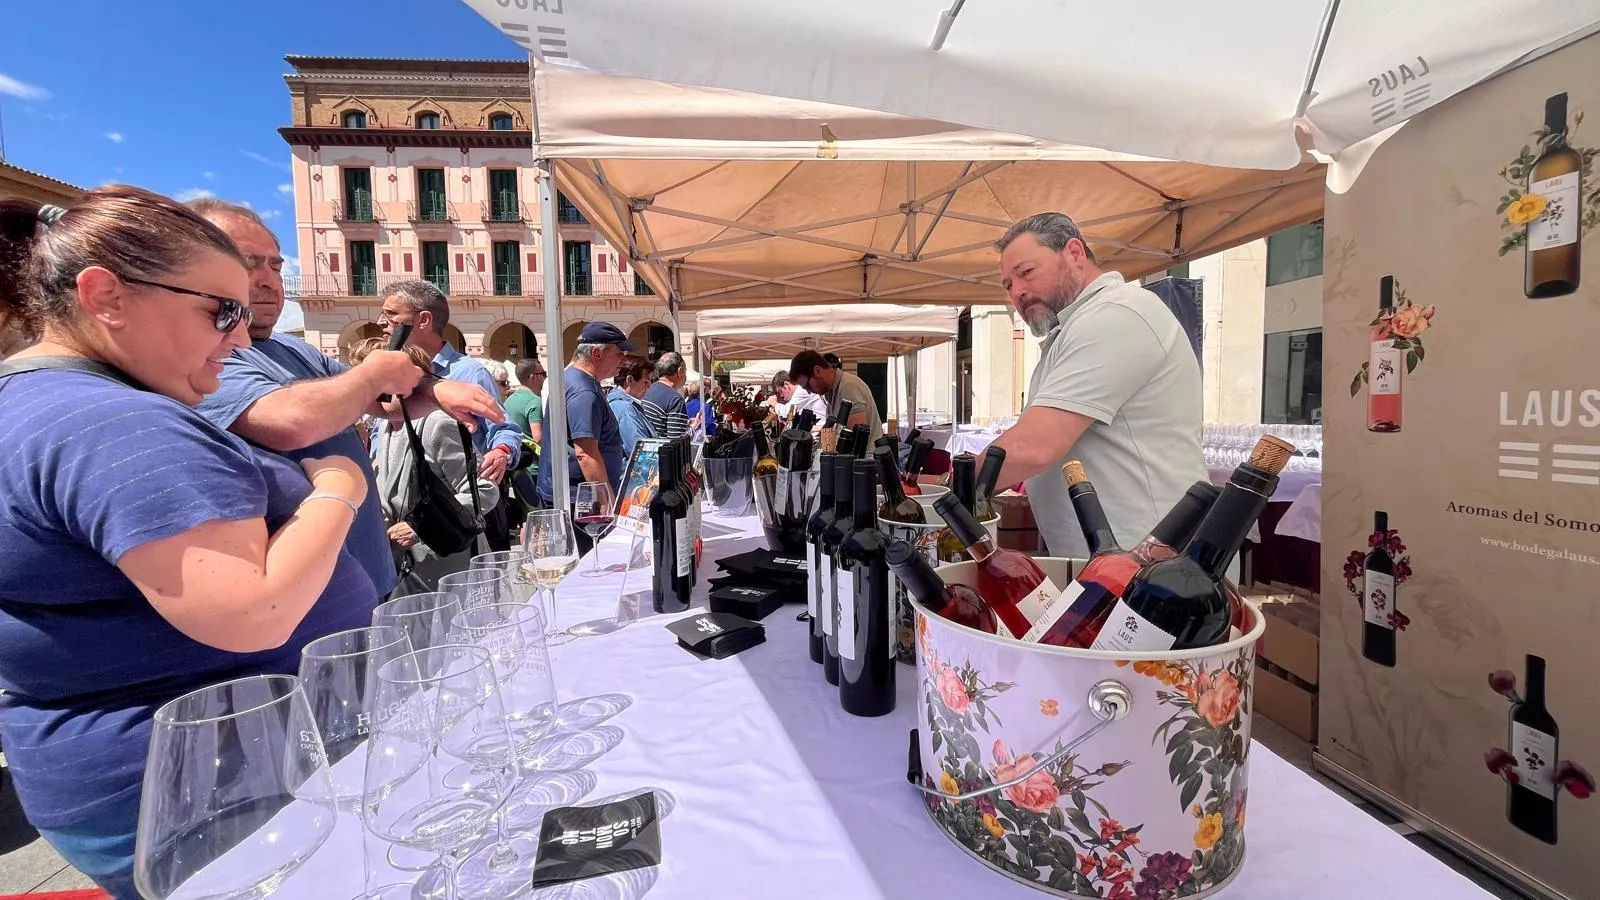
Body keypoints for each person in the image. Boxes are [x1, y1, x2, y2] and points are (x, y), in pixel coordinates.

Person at [0, 187, 377, 898]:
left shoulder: (42, 401)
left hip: (174, 784)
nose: (239, 338)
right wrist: (339, 489)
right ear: (106, 295)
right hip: (214, 794)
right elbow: (252, 613)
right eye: (220, 311)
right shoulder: (117, 424)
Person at [188, 199, 502, 599]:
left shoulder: (294, 349)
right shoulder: (209, 357)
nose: (269, 280)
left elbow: (386, 403)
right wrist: (379, 372)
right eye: (250, 263)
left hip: (371, 579)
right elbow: (290, 420)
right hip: (301, 604)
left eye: (277, 266)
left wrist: (432, 388)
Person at [978, 211, 1205, 558]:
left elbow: (1035, 446)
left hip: (1148, 562)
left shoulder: (1117, 314)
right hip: (1113, 561)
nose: (1018, 293)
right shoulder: (1078, 325)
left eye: (1026, 273)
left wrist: (949, 491)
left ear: (1074, 253)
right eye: (1008, 285)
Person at [378, 280, 524, 551]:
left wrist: (501, 451)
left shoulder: (469, 373)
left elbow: (504, 427)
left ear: (423, 320)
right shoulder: (389, 375)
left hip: (465, 516)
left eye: (391, 315)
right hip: (402, 530)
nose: (381, 322)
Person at [357, 340, 500, 592]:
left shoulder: (436, 424)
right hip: (409, 572)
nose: (367, 396)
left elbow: (483, 491)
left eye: (374, 386)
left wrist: (418, 528)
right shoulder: (386, 426)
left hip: (450, 572)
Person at [535, 322, 632, 553]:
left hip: (570, 494)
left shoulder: (571, 379)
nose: (624, 360)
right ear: (597, 353)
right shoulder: (584, 391)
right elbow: (586, 453)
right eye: (619, 353)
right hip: (582, 500)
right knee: (590, 566)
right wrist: (608, 503)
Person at [788, 348, 883, 440]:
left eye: (808, 386)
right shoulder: (831, 392)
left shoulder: (848, 387)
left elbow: (854, 438)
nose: (809, 392)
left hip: (866, 455)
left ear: (817, 371)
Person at [607, 355, 656, 458]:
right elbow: (640, 452)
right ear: (629, 380)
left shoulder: (620, 404)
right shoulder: (625, 409)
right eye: (645, 382)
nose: (649, 386)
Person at [641, 350, 689, 440]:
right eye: (685, 371)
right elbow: (676, 442)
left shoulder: (646, 390)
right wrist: (693, 428)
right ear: (680, 371)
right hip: (662, 451)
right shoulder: (675, 399)